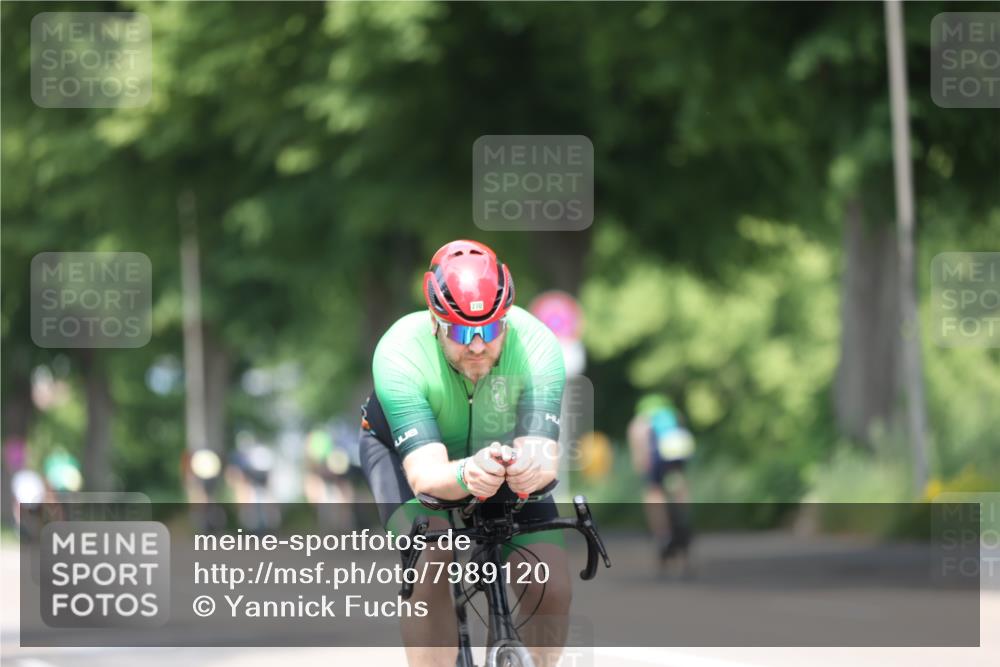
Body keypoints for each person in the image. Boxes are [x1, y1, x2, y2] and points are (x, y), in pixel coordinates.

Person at [359, 239, 570, 667]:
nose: (476, 346)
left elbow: (543, 457)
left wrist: (528, 470)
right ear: (435, 322)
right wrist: (467, 475)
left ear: (506, 322)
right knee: (431, 563)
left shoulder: (537, 347)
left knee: (550, 583)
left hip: (499, 458)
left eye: (490, 330)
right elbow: (425, 476)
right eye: (460, 331)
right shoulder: (399, 352)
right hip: (407, 458)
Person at [627, 393, 696, 573]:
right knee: (679, 480)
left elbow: (639, 460)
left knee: (653, 491)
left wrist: (642, 465)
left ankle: (661, 534)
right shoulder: (673, 415)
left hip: (658, 454)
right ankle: (684, 514)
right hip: (677, 447)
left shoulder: (640, 421)